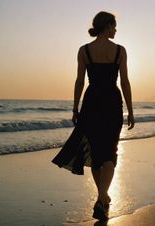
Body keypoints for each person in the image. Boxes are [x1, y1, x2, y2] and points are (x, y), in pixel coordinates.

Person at [52, 11, 134, 222]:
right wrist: (131, 110)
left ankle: (102, 198)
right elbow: (124, 82)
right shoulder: (120, 51)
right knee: (110, 152)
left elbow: (80, 81)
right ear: (107, 26)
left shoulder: (84, 51)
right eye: (114, 26)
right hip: (112, 103)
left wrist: (75, 108)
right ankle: (102, 197)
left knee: (97, 154)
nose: (116, 30)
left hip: (92, 102)